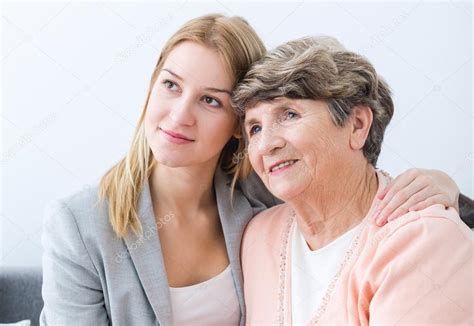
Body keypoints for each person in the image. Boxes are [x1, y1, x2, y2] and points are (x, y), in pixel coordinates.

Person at [40, 15, 469, 326]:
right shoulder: (80, 225)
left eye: (211, 100)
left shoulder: (258, 201)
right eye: (171, 85)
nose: (179, 115)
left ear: (233, 129)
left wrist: (449, 192)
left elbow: (351, 188)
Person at [234, 36, 474, 324]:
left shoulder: (425, 240)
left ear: (357, 125)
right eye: (255, 128)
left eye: (289, 114)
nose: (265, 145)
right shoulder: (259, 236)